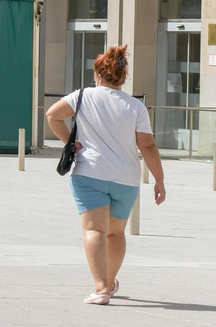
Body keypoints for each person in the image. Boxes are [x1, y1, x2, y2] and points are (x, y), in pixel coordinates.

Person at [46, 45, 167, 305]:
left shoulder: (82, 96)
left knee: (94, 230)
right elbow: (147, 145)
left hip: (90, 173)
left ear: (98, 75)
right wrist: (159, 179)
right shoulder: (136, 106)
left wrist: (71, 141)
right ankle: (110, 282)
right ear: (122, 78)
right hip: (126, 179)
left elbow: (52, 116)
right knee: (115, 234)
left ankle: (100, 289)